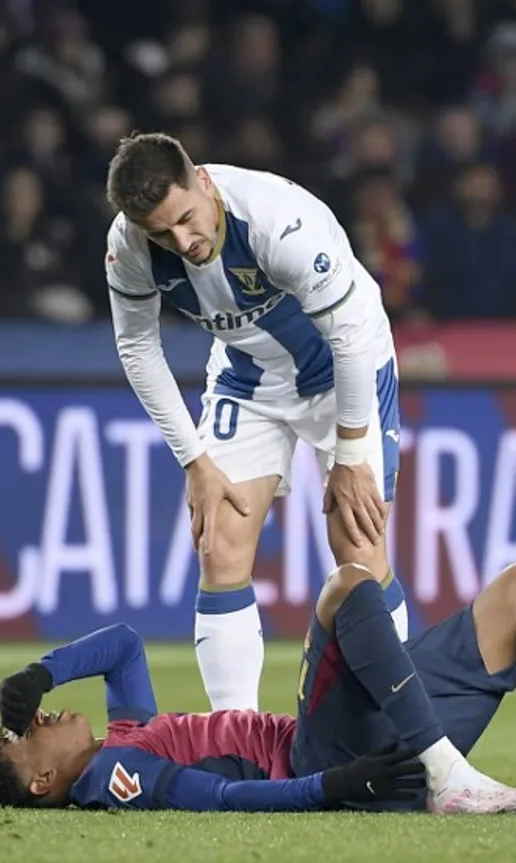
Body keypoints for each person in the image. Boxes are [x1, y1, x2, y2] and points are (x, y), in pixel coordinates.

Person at [0, 561, 516, 815]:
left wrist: (40, 669)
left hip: (381, 751)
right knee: (349, 584)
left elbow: (124, 644)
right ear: (41, 781)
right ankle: (446, 775)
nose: (45, 712)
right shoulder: (114, 774)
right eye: (33, 729)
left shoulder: (121, 737)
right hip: (326, 757)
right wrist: (334, 785)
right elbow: (220, 797)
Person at [103, 132, 408, 712]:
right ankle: (232, 733)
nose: (182, 242)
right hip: (248, 374)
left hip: (340, 365)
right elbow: (138, 348)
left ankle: (399, 737)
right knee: (218, 542)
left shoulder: (277, 222)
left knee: (358, 546)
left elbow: (347, 338)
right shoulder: (130, 247)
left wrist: (348, 454)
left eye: (187, 220)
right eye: (161, 232)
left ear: (204, 181)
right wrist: (194, 461)